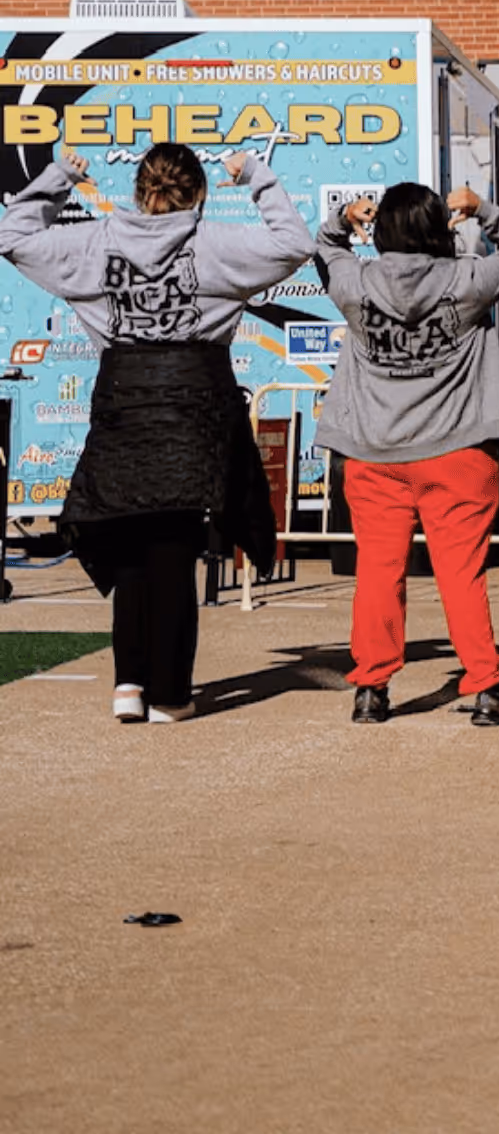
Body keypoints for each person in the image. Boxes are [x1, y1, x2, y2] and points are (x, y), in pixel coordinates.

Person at [0, 146, 312, 723]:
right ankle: (170, 693)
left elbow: (12, 235)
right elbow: (295, 244)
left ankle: (129, 684)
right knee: (174, 544)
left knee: (128, 544)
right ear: (198, 192)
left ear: (140, 189)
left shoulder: (94, 241)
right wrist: (258, 177)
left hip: (124, 403)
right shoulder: (216, 242)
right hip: (195, 406)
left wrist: (61, 176)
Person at [315, 182, 499, 725]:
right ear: (442, 227)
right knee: (461, 575)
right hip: (457, 450)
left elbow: (325, 250)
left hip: (374, 453)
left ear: (385, 229)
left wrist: (344, 218)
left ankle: (371, 687)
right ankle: (487, 687)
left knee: (377, 573)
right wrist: (481, 209)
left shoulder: (357, 283)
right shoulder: (468, 278)